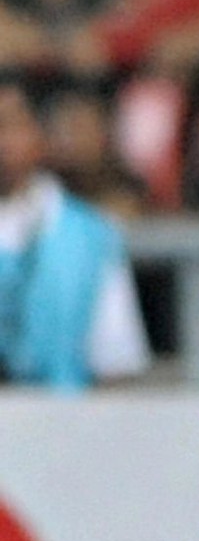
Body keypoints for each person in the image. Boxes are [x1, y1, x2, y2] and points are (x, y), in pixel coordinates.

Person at [0, 72, 149, 388]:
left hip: (60, 424)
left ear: (41, 135)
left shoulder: (91, 235)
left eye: (9, 125)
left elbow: (115, 362)